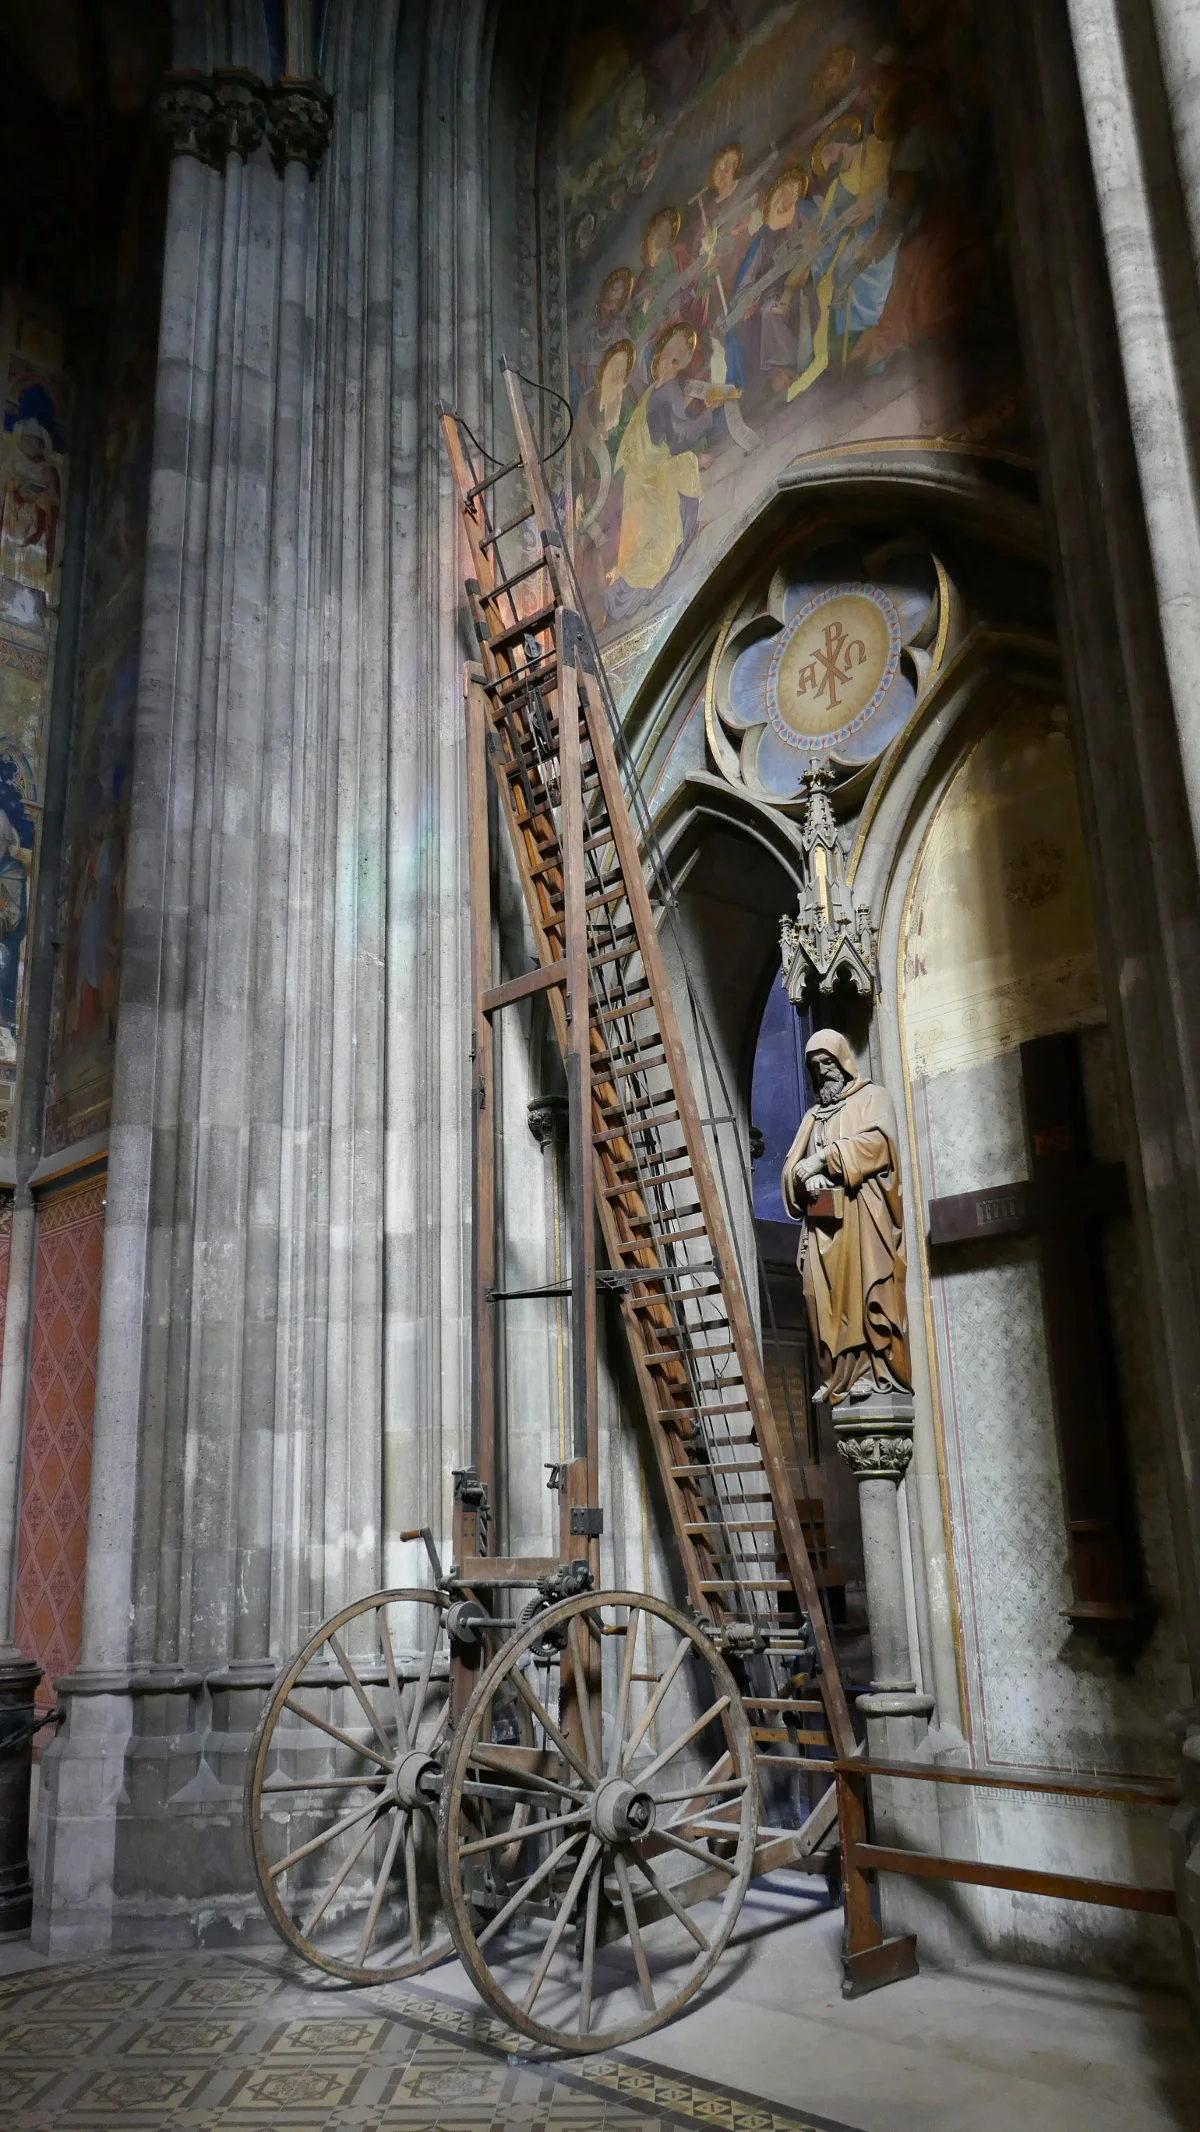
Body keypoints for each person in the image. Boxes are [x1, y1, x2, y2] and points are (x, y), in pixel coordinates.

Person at [781, 1028, 911, 1402]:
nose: (822, 1073)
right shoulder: (813, 1116)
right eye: (814, 1067)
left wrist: (826, 1158)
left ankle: (870, 1372)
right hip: (821, 1227)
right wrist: (803, 1177)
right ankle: (836, 1375)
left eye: (827, 1063)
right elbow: (791, 1168)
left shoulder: (873, 1098)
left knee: (861, 1292)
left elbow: (880, 1144)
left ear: (842, 1062)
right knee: (817, 1297)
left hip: (861, 1221)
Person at [605, 321, 731, 619]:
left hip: (642, 474)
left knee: (685, 469)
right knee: (660, 544)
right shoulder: (667, 391)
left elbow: (664, 433)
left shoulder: (656, 389)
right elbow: (678, 440)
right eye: (682, 346)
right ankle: (617, 596)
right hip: (650, 479)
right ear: (670, 354)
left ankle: (686, 531)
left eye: (688, 348)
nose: (685, 353)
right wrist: (711, 411)